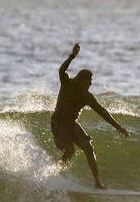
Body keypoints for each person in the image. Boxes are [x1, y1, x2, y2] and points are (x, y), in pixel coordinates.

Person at [51, 43, 129, 189]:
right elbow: (61, 70)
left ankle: (97, 183)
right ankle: (53, 176)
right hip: (59, 122)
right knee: (70, 150)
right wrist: (72, 57)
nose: (90, 85)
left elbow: (102, 112)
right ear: (81, 80)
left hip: (72, 123)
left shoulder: (87, 97)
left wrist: (118, 127)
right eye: (89, 82)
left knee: (88, 148)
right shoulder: (67, 84)